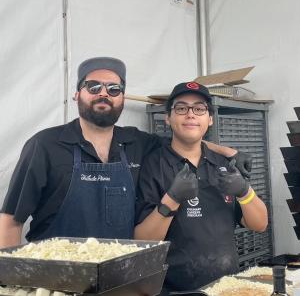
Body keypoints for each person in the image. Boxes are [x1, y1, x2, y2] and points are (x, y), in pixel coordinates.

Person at [0, 57, 251, 249]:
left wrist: (230, 151)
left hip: (122, 280)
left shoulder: (136, 142)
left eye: (114, 89)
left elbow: (184, 139)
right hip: (59, 281)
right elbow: (11, 220)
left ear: (121, 98)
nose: (103, 93)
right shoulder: (45, 145)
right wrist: (10, 283)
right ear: (77, 94)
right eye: (93, 86)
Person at [134, 81, 268, 292]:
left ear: (210, 119)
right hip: (174, 290)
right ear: (168, 118)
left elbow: (259, 224)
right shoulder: (154, 165)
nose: (190, 114)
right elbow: (143, 241)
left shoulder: (224, 165)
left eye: (199, 108)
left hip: (227, 287)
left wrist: (244, 191)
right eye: (181, 108)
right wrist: (172, 199)